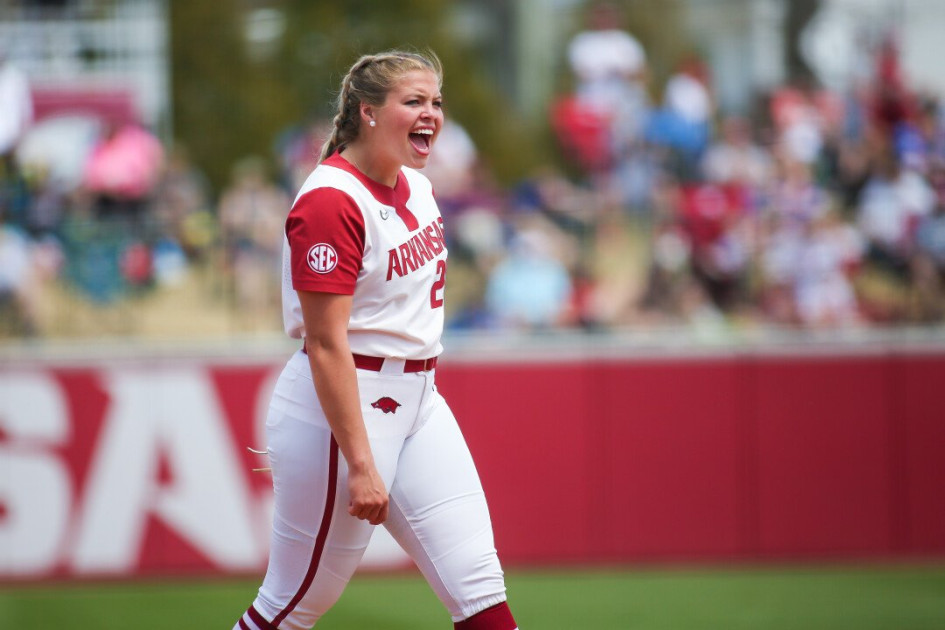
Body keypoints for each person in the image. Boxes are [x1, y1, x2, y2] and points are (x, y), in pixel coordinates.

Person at [233, 51, 519, 630]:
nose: (430, 115)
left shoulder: (416, 186)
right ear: (367, 112)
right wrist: (362, 463)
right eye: (412, 101)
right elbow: (326, 343)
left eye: (436, 102)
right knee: (291, 604)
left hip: (419, 400)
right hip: (344, 410)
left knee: (479, 587)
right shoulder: (332, 199)